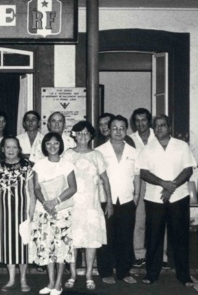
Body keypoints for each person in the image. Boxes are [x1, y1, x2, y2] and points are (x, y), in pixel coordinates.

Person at [137, 115, 195, 287]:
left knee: (180, 237)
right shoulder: (148, 149)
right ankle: (151, 273)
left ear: (169, 127)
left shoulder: (181, 146)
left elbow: (188, 169)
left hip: (178, 197)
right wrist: (163, 184)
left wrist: (172, 186)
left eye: (162, 125)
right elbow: (144, 173)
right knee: (153, 237)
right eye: (156, 126)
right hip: (154, 198)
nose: (159, 128)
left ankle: (184, 275)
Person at [64, 121, 112, 290]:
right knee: (72, 241)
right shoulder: (67, 155)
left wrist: (110, 202)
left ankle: (90, 274)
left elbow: (105, 181)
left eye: (86, 133)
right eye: (79, 133)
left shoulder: (97, 155)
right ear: (74, 135)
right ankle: (73, 274)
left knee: (91, 241)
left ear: (91, 135)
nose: (83, 136)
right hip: (72, 205)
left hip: (92, 205)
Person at [30, 132, 77, 295]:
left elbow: (73, 188)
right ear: (44, 146)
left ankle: (58, 284)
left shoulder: (67, 165)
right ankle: (50, 282)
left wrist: (55, 201)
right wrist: (45, 203)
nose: (52, 146)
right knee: (47, 246)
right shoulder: (39, 165)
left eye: (56, 143)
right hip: (44, 211)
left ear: (60, 145)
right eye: (48, 143)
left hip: (62, 211)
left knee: (61, 247)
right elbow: (36, 188)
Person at [95, 115, 139, 285]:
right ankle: (105, 271)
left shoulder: (134, 152)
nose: (118, 131)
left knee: (125, 238)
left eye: (122, 128)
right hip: (106, 200)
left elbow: (137, 176)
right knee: (106, 237)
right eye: (115, 128)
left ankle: (124, 271)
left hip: (127, 200)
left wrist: (136, 197)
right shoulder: (99, 151)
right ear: (109, 129)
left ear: (126, 130)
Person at [0, 136, 35, 293]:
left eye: (14, 147)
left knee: (22, 245)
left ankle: (23, 279)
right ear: (3, 149)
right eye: (8, 147)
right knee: (8, 245)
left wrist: (32, 210)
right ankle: (11, 279)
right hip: (4, 212)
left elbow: (31, 189)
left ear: (19, 149)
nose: (11, 150)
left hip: (22, 211)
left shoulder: (27, 166)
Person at [128, 108, 156, 269]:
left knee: (158, 221)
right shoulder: (130, 140)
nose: (140, 123)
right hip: (139, 182)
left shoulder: (158, 137)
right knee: (139, 220)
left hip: (157, 181)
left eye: (143, 120)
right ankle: (139, 254)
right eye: (137, 120)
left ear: (149, 121)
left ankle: (162, 255)